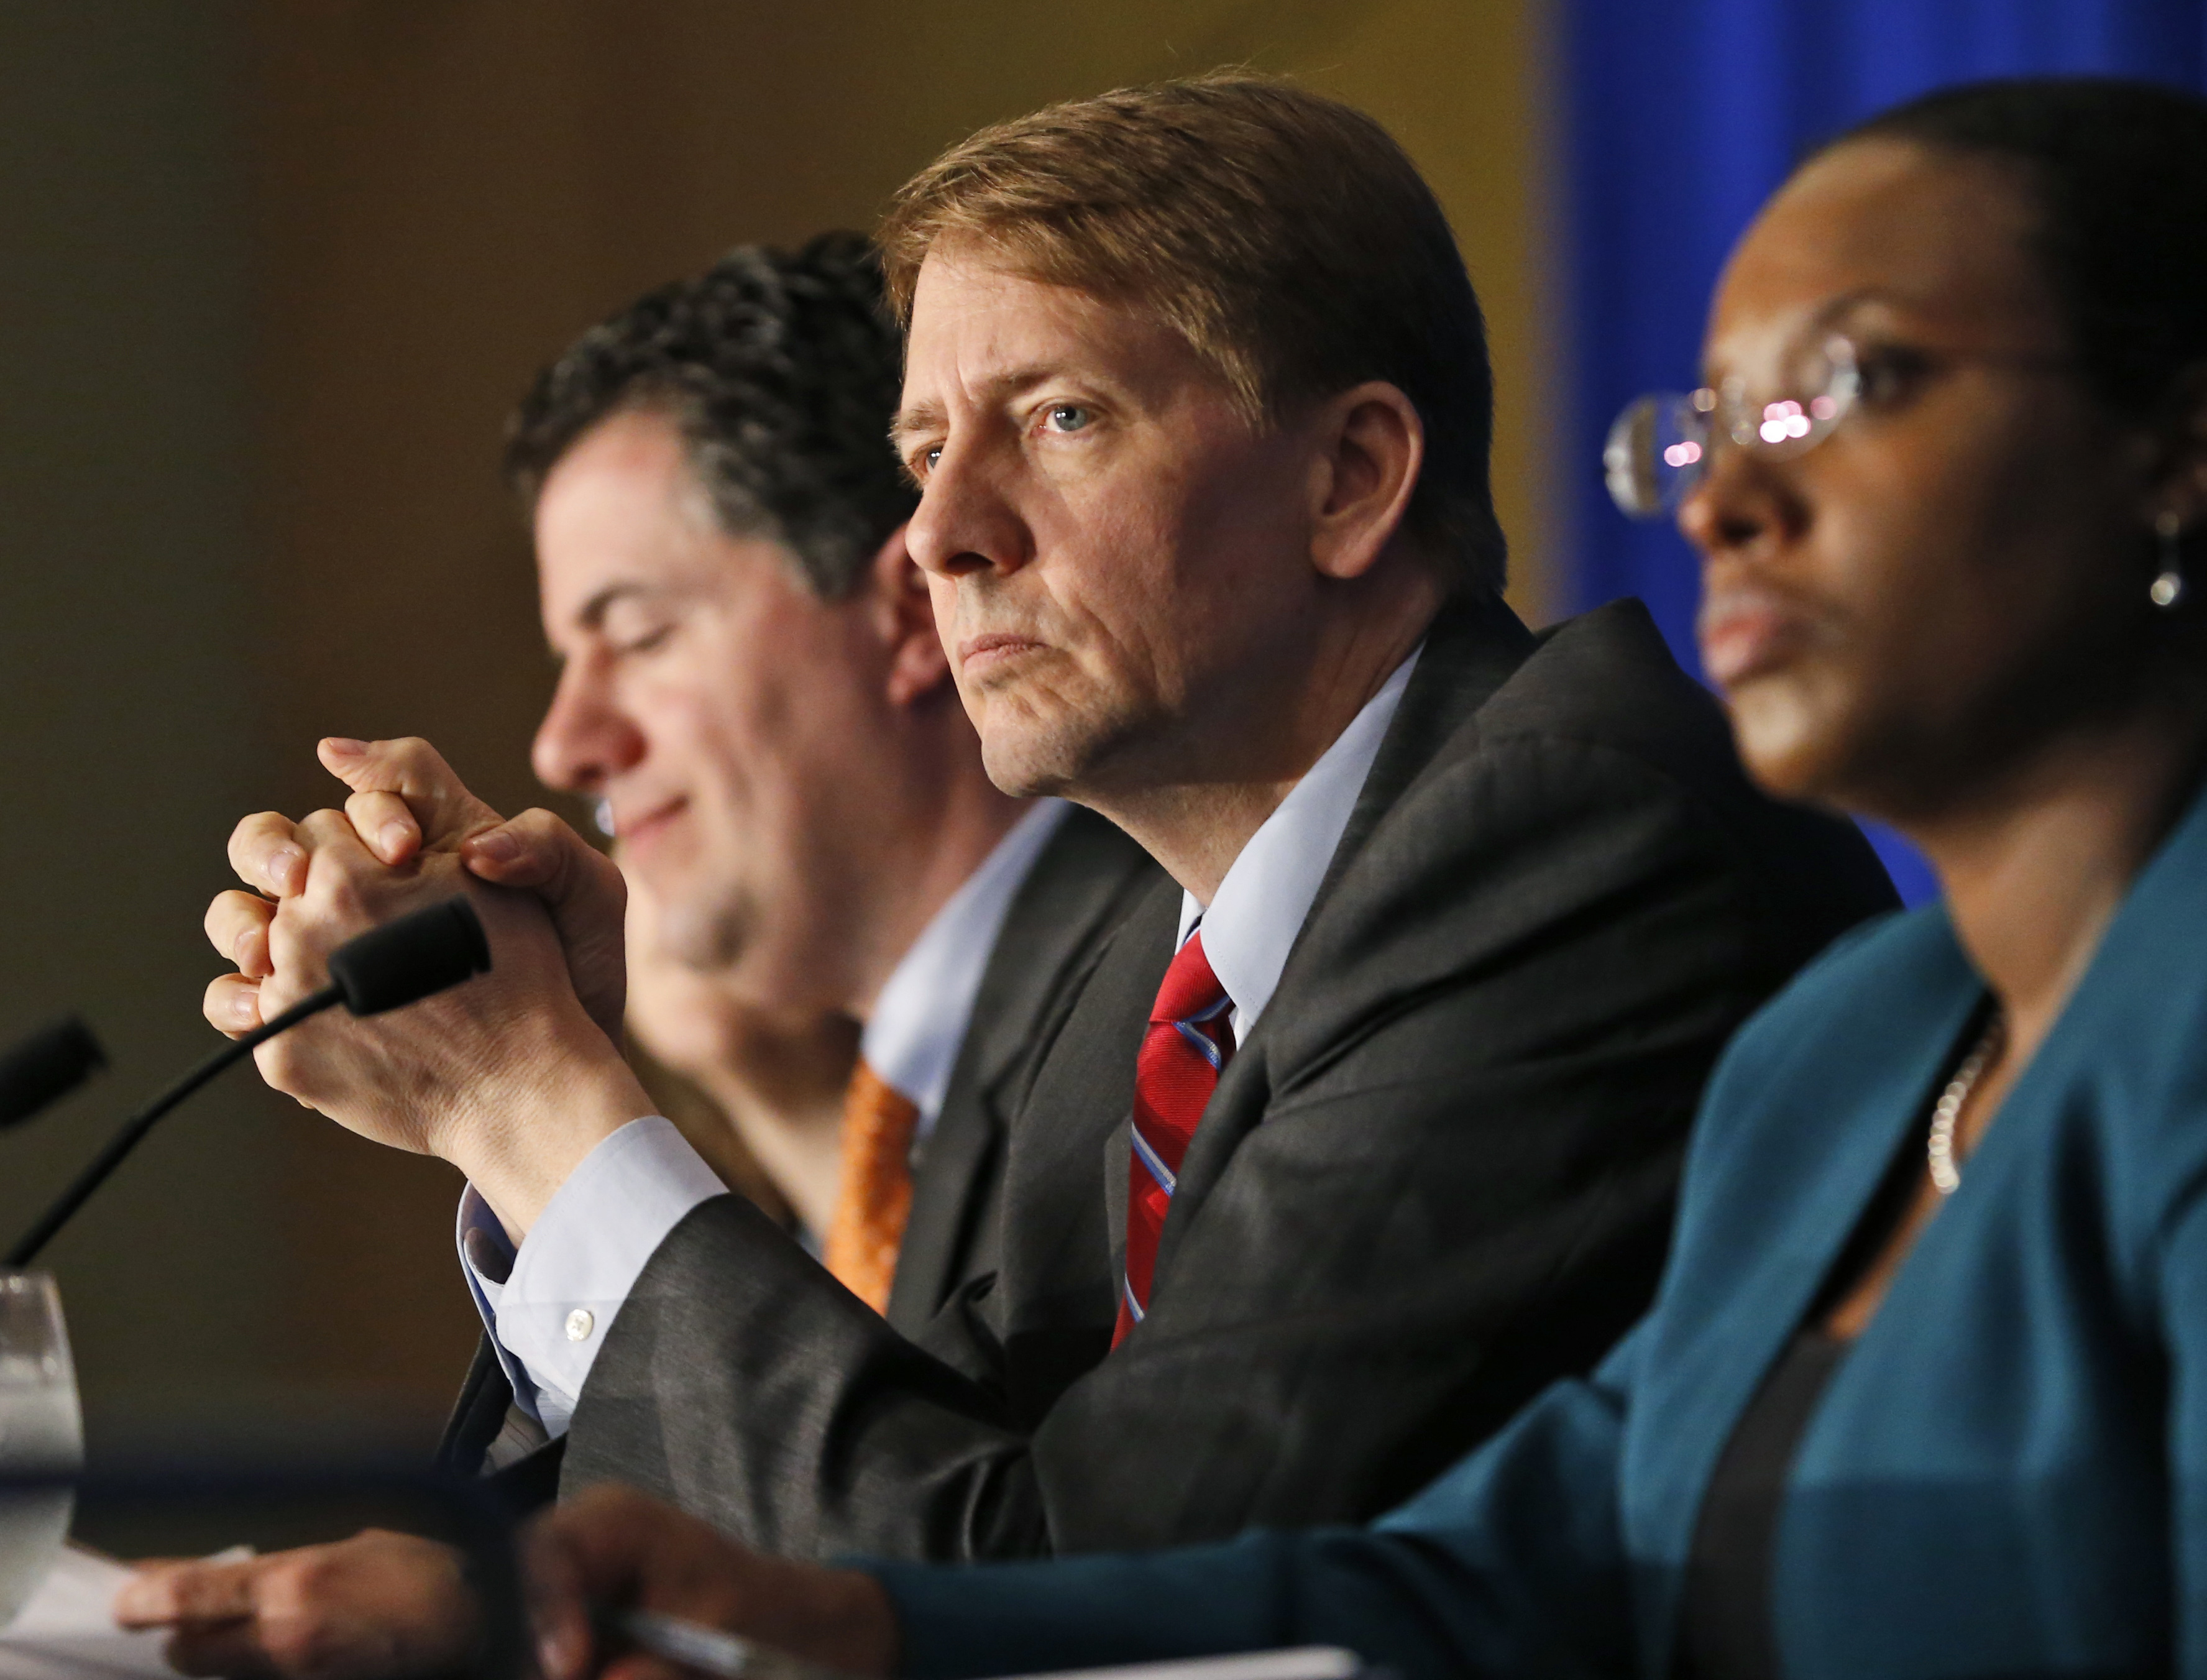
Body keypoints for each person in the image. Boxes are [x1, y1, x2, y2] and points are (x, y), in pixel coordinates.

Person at [122, 71, 1896, 1674]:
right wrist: (504, 1595)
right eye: (919, 455)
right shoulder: (1143, 935)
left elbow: (1066, 1606)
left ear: (1351, 480)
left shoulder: (1568, 832)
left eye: (1055, 421)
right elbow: (912, 1472)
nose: (942, 539)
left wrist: (534, 1109)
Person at [486, 73, 2207, 1680]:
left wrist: (536, 1108)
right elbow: (1492, 1564)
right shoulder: (1846, 1047)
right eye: (1711, 426)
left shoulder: (1585, 829)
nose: (1729, 500)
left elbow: (1104, 1546)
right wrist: (735, 1620)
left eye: (1850, 388)